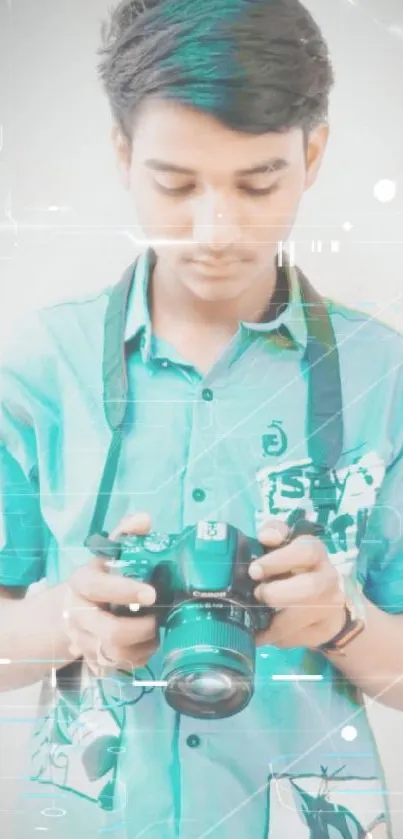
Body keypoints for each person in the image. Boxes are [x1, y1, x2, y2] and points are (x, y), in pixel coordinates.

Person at [0, 0, 402, 837]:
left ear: (312, 153)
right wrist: (74, 617)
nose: (214, 230)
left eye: (258, 183)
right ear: (122, 154)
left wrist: (338, 623)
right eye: (175, 184)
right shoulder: (42, 368)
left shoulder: (383, 378)